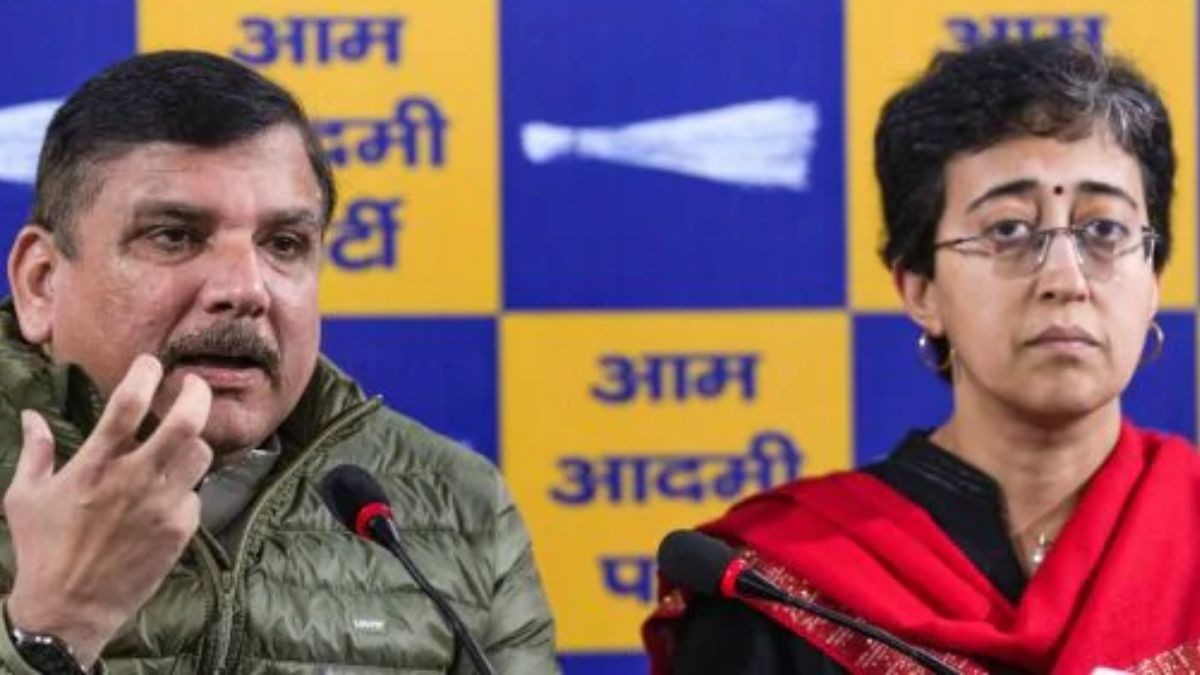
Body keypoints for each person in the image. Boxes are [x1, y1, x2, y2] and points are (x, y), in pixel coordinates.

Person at [645, 37, 1200, 673]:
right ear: (921, 291)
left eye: (1103, 229)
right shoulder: (778, 587)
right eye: (1008, 230)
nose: (1065, 278)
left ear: (1153, 281)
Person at [0, 50, 557, 674]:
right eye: (174, 236)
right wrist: (51, 630)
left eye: (284, 244)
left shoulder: (457, 505)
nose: (245, 288)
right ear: (42, 283)